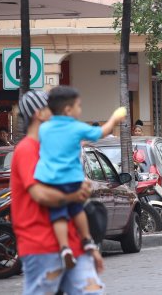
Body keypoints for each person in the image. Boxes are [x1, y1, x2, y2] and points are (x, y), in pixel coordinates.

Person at [10, 90, 106, 295]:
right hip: (41, 244)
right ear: (39, 114)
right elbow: (40, 195)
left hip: (72, 245)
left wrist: (88, 243)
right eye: (51, 109)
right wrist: (75, 195)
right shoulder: (27, 149)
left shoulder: (53, 147)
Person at [34, 86, 126, 268]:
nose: (80, 109)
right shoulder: (75, 127)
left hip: (50, 180)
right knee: (78, 209)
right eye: (79, 106)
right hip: (72, 178)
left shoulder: (44, 129)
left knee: (58, 215)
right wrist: (114, 119)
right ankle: (86, 239)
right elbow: (102, 132)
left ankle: (64, 248)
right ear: (68, 110)